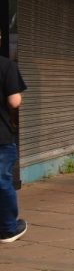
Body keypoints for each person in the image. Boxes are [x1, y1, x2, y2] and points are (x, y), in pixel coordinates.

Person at [0, 52, 28, 243]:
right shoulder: (5, 65)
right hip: (0, 136)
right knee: (1, 180)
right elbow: (14, 101)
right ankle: (9, 228)